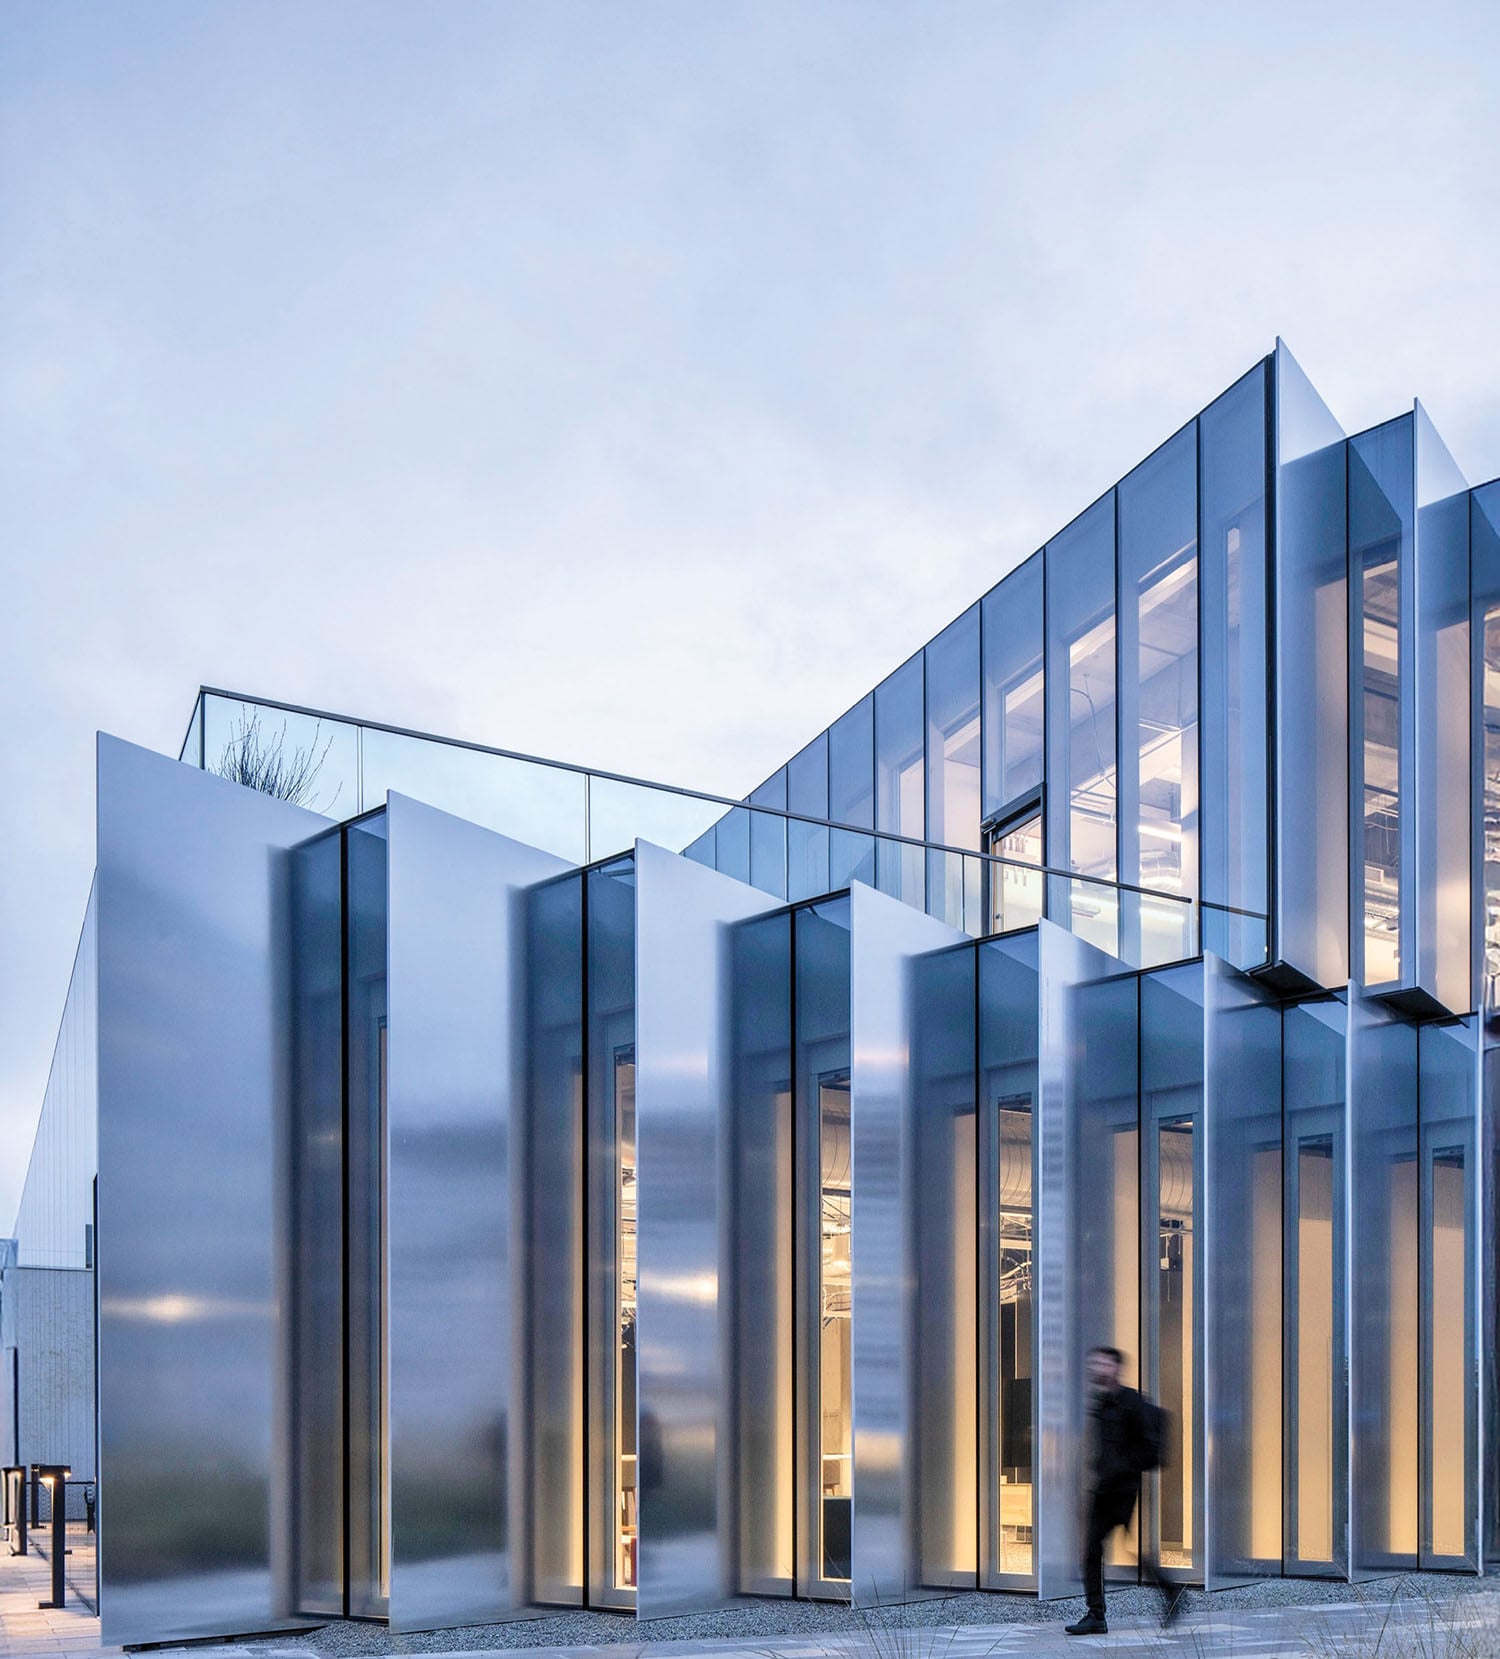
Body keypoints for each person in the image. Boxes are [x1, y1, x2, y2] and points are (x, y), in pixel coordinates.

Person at [1064, 1345, 1184, 1636]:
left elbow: (1150, 1445)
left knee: (1104, 1549)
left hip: (1121, 1489)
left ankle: (1103, 1613)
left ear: (1116, 1368)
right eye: (1095, 1364)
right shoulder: (1103, 1403)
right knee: (1099, 1550)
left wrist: (1124, 1467)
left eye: (1104, 1364)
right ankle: (1103, 1614)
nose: (1097, 1368)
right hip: (1105, 1488)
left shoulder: (1130, 1401)